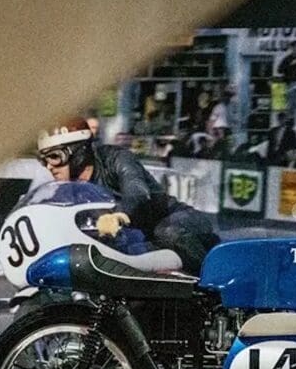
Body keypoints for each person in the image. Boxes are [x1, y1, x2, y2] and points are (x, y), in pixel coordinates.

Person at [37, 118, 219, 275]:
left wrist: (118, 214)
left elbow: (138, 192)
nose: (49, 166)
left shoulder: (115, 158)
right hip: (141, 241)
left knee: (167, 232)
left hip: (175, 221)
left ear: (78, 152)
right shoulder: (68, 187)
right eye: (43, 160)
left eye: (54, 156)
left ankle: (212, 285)